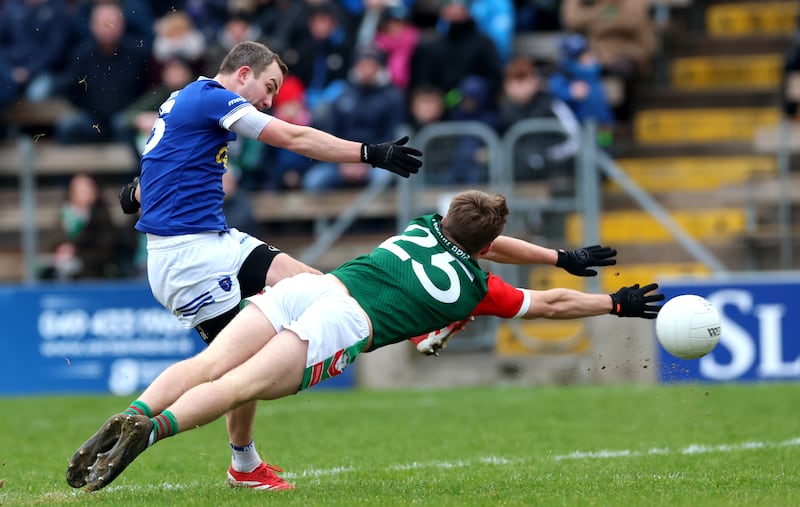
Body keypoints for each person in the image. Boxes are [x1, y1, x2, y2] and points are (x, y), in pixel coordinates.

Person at [66, 189, 662, 492]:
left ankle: (138, 411)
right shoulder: (476, 288)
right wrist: (614, 302)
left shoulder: (425, 225)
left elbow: (479, 238)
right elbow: (549, 303)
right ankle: (154, 430)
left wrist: (559, 256)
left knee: (211, 361)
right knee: (237, 385)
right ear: (484, 249)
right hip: (343, 324)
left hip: (313, 289)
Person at [113, 40, 422, 491]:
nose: (271, 99)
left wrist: (136, 194)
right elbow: (293, 137)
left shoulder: (187, 98)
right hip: (188, 259)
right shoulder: (215, 98)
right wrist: (370, 153)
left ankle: (234, 459)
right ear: (242, 74)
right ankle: (145, 426)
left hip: (217, 241)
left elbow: (169, 163)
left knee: (317, 286)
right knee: (235, 366)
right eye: (269, 86)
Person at [39, 172, 122, 281]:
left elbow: (106, 249)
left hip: (91, 273)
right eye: (79, 189)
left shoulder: (101, 217)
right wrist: (61, 250)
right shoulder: (63, 215)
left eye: (87, 189)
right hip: (63, 270)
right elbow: (52, 241)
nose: (84, 193)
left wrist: (76, 254)